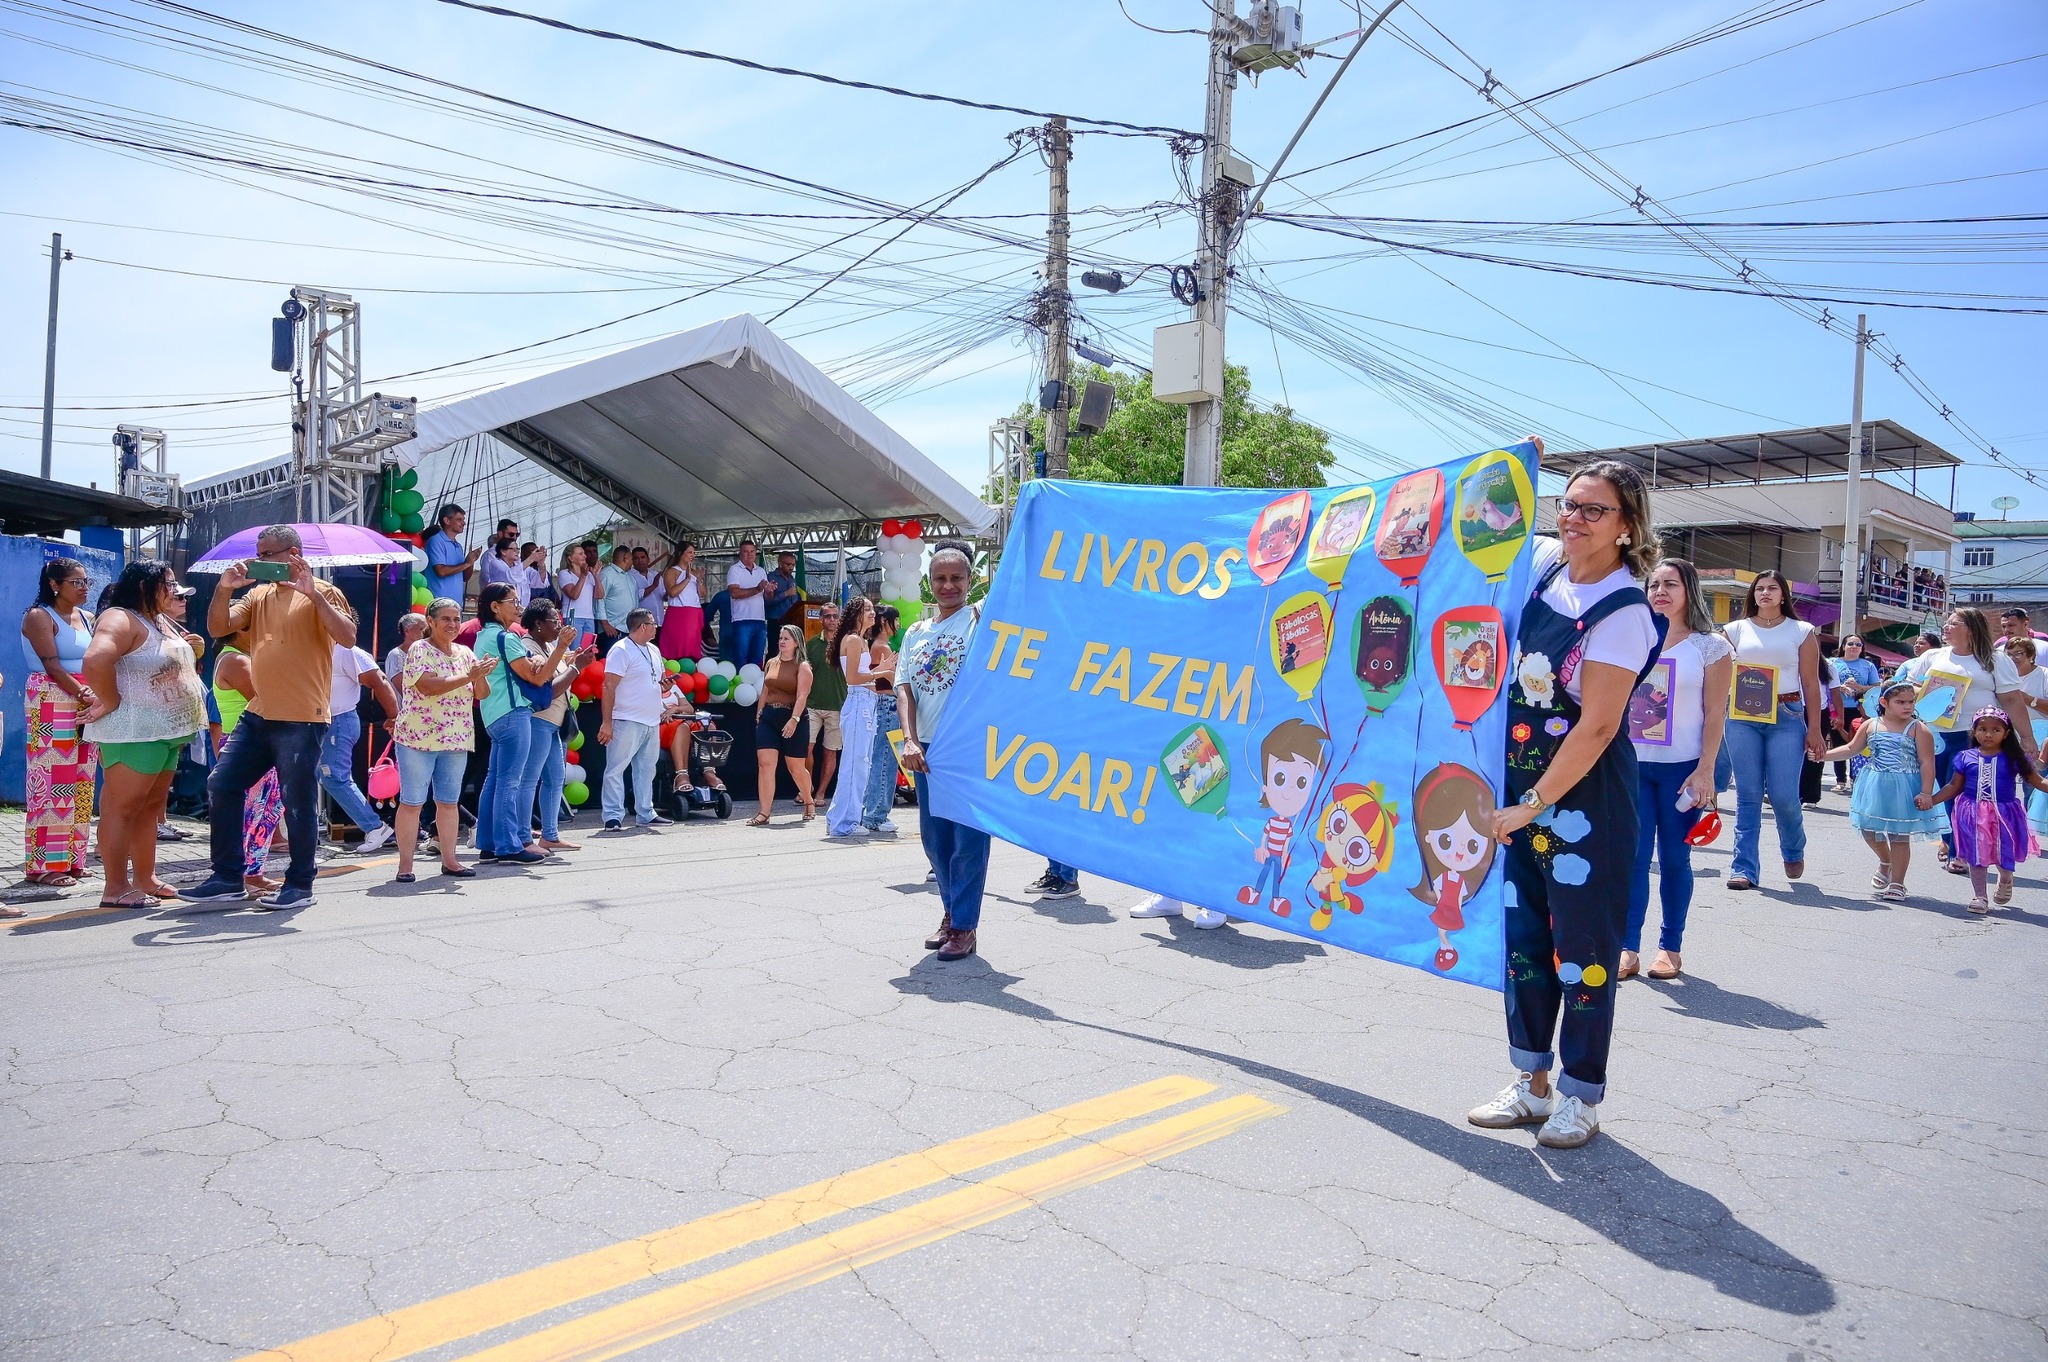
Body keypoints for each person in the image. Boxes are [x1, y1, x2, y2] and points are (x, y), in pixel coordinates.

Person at [1472, 457, 1662, 1151]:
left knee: (1582, 954)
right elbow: (1492, 518)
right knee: (1524, 947)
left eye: (1594, 510)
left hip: (1584, 806)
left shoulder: (1625, 610)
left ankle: (1581, 1094)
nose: (1574, 519)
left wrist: (1534, 803)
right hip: (1518, 799)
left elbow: (1599, 726)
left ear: (1627, 526)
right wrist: (1512, 465)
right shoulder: (1547, 566)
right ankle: (1530, 1082)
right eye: (1570, 504)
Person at [185, 527, 357, 911]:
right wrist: (224, 588)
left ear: (293, 553)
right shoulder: (259, 594)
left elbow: (347, 637)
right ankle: (227, 877)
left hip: (302, 716)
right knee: (222, 784)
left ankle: (299, 885)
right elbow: (217, 628)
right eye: (258, 552)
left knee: (298, 803)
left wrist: (312, 594)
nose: (260, 560)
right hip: (259, 712)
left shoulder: (324, 591)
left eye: (268, 553)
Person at [79, 560, 207, 909]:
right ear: (144, 586)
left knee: (150, 808)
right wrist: (109, 697)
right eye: (168, 582)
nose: (174, 589)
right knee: (122, 809)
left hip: (166, 730)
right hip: (133, 730)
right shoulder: (120, 617)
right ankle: (116, 888)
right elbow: (95, 659)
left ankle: (145, 878)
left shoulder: (157, 619)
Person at [1623, 558, 1728, 983]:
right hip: (1630, 768)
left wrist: (1705, 771)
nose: (1661, 591)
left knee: (1673, 859)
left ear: (1690, 592)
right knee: (1632, 860)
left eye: (1671, 584)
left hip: (1682, 772)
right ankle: (1627, 947)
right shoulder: (1630, 639)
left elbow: (1715, 715)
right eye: (1654, 585)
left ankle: (1670, 948)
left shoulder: (1711, 646)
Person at [898, 541, 989, 962]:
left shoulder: (981, 619)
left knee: (967, 839)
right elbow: (904, 689)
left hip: (969, 747)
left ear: (971, 582)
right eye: (940, 578)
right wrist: (910, 739)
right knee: (936, 841)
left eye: (957, 577)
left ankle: (965, 926)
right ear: (928, 583)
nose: (949, 585)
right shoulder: (916, 633)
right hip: (927, 750)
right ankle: (951, 913)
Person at [1901, 607, 2038, 873]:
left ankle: (1960, 851)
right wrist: (1932, 689)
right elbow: (1909, 689)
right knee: (1942, 792)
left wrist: (2028, 737)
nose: (1947, 627)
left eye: (1954, 623)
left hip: (1975, 740)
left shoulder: (1995, 660)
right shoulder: (1933, 656)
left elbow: (2011, 699)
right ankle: (1951, 841)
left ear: (1972, 628)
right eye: (1947, 623)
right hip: (1934, 735)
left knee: (1964, 794)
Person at [1720, 571, 1825, 892]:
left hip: (1787, 716)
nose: (1765, 593)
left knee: (1783, 796)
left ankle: (1793, 848)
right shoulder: (1733, 630)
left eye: (1772, 588)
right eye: (1760, 588)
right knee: (1748, 795)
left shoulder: (1802, 631)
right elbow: (1718, 674)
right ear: (1752, 595)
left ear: (1783, 596)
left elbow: (1811, 682)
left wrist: (1815, 729)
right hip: (1741, 716)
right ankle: (1743, 868)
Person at [390, 599, 490, 882]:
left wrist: (479, 676)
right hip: (418, 738)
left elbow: (481, 694)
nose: (453, 625)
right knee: (412, 802)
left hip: (455, 738)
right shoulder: (420, 649)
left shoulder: (465, 652)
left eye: (457, 619)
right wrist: (468, 676)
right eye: (445, 619)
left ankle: (451, 860)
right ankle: (405, 865)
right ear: (430, 623)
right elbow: (427, 686)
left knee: (448, 802)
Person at [20, 557, 98, 891]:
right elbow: (51, 664)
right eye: (76, 582)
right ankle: (43, 866)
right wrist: (84, 691)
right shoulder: (39, 616)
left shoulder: (87, 617)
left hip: (86, 698)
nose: (83, 588)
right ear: (55, 584)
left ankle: (72, 858)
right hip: (52, 697)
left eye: (86, 582)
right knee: (52, 779)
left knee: (81, 779)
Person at [1827, 680, 1939, 902]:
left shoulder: (1918, 728)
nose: (1907, 706)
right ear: (1883, 702)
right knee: (1869, 830)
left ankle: (1898, 883)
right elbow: (1851, 749)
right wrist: (1823, 756)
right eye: (1900, 702)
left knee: (1899, 836)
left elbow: (1927, 761)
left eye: (1911, 702)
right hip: (1875, 784)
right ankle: (1885, 861)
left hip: (1905, 786)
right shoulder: (1871, 725)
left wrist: (1926, 792)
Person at [1930, 707, 2048, 913]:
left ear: (2006, 734)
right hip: (1973, 813)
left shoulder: (2014, 758)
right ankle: (1980, 896)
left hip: (2005, 814)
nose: (1988, 734)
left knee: (2003, 853)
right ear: (1974, 732)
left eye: (1995, 730)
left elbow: (2037, 781)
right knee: (1977, 854)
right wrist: (1932, 800)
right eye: (1982, 729)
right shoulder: (1965, 757)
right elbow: (1953, 786)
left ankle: (2005, 877)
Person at [472, 582, 550, 866]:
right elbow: (534, 677)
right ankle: (508, 845)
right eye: (513, 602)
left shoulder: (484, 636)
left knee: (495, 779)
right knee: (509, 781)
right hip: (513, 711)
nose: (518, 607)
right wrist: (558, 651)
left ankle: (489, 843)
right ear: (495, 606)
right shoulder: (506, 637)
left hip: (493, 714)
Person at [515, 601, 595, 856]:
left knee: (554, 779)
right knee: (529, 780)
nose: (559, 626)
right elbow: (547, 691)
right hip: (540, 720)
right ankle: (524, 837)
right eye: (553, 621)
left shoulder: (551, 646)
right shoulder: (528, 647)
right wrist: (576, 667)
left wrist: (570, 659)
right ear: (538, 624)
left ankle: (550, 835)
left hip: (557, 722)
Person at [209, 631, 286, 893]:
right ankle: (242, 876)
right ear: (240, 630)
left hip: (258, 741)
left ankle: (253, 873)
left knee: (267, 811)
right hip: (246, 743)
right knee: (250, 814)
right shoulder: (236, 661)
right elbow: (267, 700)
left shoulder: (240, 657)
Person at [320, 614, 399, 853]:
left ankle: (375, 827)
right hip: (321, 722)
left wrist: (393, 715)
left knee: (334, 777)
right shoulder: (322, 648)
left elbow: (380, 680)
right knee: (321, 776)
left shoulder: (347, 651)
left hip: (339, 721)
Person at [598, 608, 673, 832]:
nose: (656, 626)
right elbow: (608, 685)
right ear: (642, 627)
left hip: (651, 719)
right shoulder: (620, 650)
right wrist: (607, 722)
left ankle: (645, 812)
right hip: (626, 719)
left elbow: (655, 680)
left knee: (646, 769)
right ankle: (612, 816)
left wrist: (665, 688)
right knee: (616, 768)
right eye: (652, 623)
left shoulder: (653, 650)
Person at [826, 598, 888, 837]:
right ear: (856, 614)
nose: (873, 613)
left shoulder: (861, 640)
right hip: (858, 702)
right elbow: (852, 678)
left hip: (866, 703)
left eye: (873, 609)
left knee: (860, 763)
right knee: (854, 764)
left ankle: (843, 818)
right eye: (868, 610)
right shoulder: (852, 640)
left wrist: (878, 673)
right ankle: (844, 822)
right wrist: (880, 671)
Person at [749, 623, 816, 825]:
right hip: (770, 716)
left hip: (792, 716)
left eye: (786, 638)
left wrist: (794, 720)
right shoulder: (771, 663)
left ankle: (808, 801)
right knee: (765, 764)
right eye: (780, 638)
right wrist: (759, 713)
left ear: (796, 642)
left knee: (795, 767)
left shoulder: (803, 666)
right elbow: (765, 690)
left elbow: (802, 696)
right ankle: (765, 812)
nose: (782, 641)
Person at [860, 605, 903, 836]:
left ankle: (871, 811)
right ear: (886, 621)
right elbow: (896, 681)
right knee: (885, 760)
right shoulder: (882, 647)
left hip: (882, 706)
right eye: (896, 620)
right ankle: (876, 814)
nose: (898, 625)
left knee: (879, 758)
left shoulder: (875, 646)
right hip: (888, 705)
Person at [805, 601, 847, 803]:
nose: (832, 620)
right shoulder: (811, 644)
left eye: (835, 616)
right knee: (806, 749)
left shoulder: (846, 643)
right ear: (820, 619)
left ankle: (821, 793)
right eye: (828, 616)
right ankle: (807, 788)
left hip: (838, 706)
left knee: (830, 752)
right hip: (812, 705)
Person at [1832, 635, 1882, 793]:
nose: (1854, 647)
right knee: (1837, 741)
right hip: (1836, 707)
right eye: (1850, 644)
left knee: (1859, 742)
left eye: (1858, 644)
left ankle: (1856, 776)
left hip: (1860, 709)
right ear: (1843, 646)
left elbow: (1876, 687)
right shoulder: (1832, 663)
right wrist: (1839, 687)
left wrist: (1859, 686)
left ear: (1862, 648)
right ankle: (1840, 779)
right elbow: (1824, 683)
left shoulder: (1868, 665)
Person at [726, 540, 770, 669]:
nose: (749, 554)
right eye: (745, 551)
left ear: (756, 553)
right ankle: (740, 685)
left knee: (757, 657)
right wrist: (757, 589)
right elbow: (734, 593)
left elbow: (766, 596)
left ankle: (755, 686)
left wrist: (770, 590)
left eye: (752, 551)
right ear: (740, 553)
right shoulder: (734, 570)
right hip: (742, 619)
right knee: (741, 657)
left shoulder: (761, 570)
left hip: (760, 620)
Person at [657, 541, 704, 661]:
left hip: (694, 613)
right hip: (679, 613)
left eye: (693, 553)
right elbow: (672, 593)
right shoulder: (671, 571)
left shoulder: (695, 572)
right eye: (689, 552)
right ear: (680, 553)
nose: (692, 555)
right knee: (676, 647)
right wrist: (687, 579)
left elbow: (703, 594)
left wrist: (699, 580)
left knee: (692, 647)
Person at [424, 503, 483, 589]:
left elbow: (465, 578)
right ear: (447, 521)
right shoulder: (436, 541)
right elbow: (441, 571)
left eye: (463, 519)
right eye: (459, 519)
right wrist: (467, 563)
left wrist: (471, 561)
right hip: (440, 600)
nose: (464, 523)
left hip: (456, 601)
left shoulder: (458, 546)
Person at [556, 544, 601, 642]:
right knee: (575, 651)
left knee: (588, 649)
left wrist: (596, 576)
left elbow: (599, 595)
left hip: (589, 617)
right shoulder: (565, 573)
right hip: (573, 617)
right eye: (581, 554)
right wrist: (583, 576)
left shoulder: (589, 574)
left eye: (584, 553)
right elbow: (574, 595)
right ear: (571, 558)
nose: (585, 556)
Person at [385, 613, 426, 693]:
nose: (425, 633)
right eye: (421, 629)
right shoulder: (396, 655)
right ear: (407, 630)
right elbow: (403, 689)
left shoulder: (426, 652)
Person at [765, 549, 801, 630]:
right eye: (788, 564)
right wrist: (786, 594)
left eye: (793, 565)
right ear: (780, 564)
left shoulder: (792, 579)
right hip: (775, 621)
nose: (791, 567)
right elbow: (767, 602)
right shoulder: (770, 578)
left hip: (791, 621)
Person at [631, 547, 665, 625]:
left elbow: (663, 595)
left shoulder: (656, 575)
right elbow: (636, 596)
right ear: (632, 561)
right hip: (642, 624)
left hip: (659, 621)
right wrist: (653, 586)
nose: (640, 561)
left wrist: (668, 593)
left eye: (643, 557)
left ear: (648, 559)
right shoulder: (630, 576)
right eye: (636, 558)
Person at [521, 542, 555, 607]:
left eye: (537, 552)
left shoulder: (544, 572)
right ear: (523, 554)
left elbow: (551, 590)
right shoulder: (518, 570)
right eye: (532, 552)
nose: (536, 555)